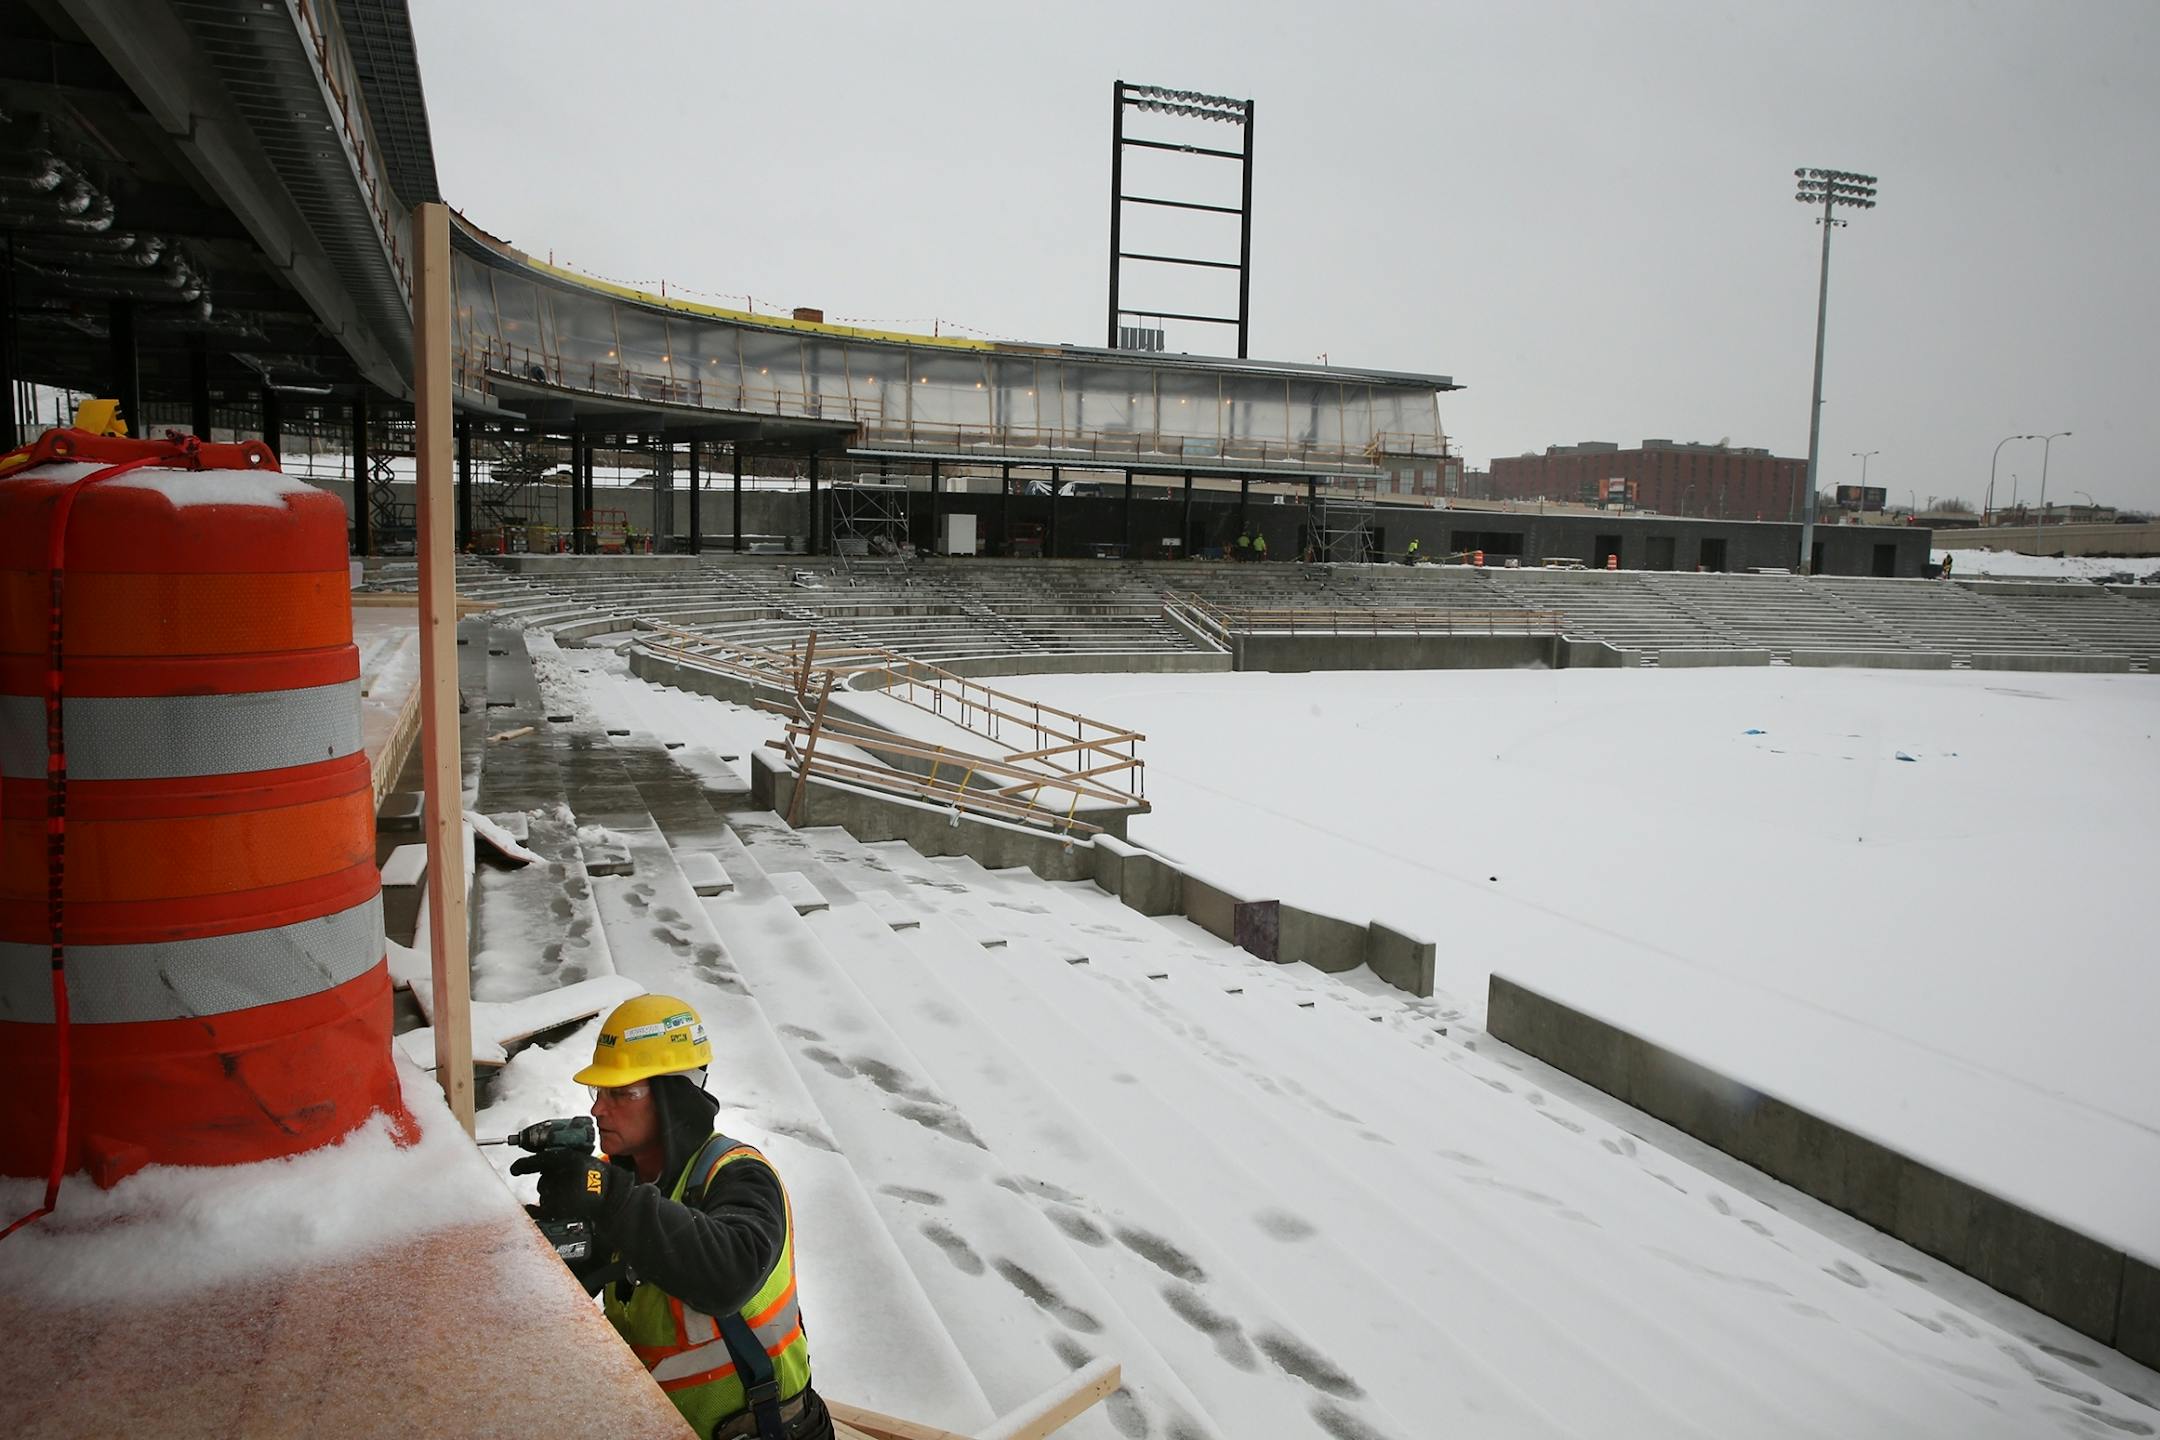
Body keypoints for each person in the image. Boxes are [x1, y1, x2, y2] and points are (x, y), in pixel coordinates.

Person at [516, 996, 831, 1440]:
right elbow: (587, 1270)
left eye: (621, 1093)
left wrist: (609, 1198)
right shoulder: (630, 1178)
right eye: (599, 1092)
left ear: (673, 1100)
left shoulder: (741, 1176)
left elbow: (729, 1273)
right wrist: (534, 1236)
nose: (597, 1110)